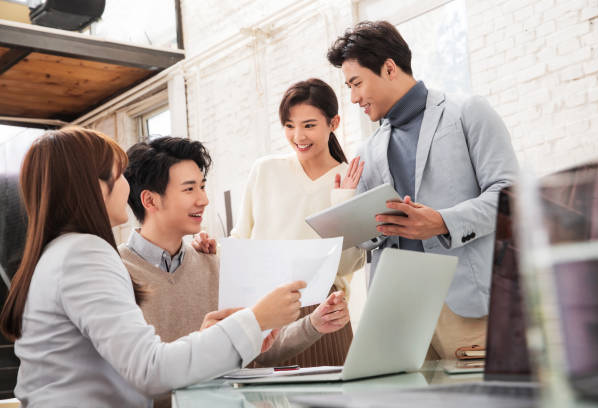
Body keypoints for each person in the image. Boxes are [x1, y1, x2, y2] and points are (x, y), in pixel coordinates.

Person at [0, 127, 305, 407]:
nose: (126, 186)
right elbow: (150, 369)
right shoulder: (85, 253)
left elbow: (127, 365)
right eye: (119, 175)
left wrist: (212, 337)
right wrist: (255, 318)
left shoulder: (61, 251)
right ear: (92, 186)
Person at [326, 21, 519, 359]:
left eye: (356, 84)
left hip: (466, 304)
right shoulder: (366, 151)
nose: (353, 98)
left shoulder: (467, 113)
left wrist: (442, 222)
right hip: (398, 314)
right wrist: (345, 208)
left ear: (389, 68)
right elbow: (368, 239)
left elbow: (509, 196)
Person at [119, 137, 350, 404]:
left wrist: (314, 324)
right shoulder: (117, 272)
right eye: (189, 189)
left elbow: (256, 350)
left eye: (202, 186)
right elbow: (134, 375)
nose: (203, 199)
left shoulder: (212, 262)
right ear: (150, 200)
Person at [195, 78, 365, 367]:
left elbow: (349, 264)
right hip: (263, 310)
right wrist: (213, 250)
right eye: (289, 125)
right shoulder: (265, 170)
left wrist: (344, 201)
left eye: (309, 125)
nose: (298, 135)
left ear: (333, 123)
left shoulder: (349, 179)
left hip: (323, 311)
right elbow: (240, 239)